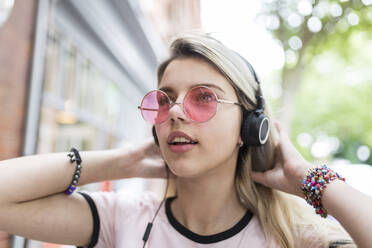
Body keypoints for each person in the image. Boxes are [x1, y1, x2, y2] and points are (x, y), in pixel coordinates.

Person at [0, 33, 371, 248]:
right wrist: (120, 161)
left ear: (250, 126)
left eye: (204, 97)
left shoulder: (294, 238)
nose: (175, 111)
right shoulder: (122, 220)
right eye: (164, 99)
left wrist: (310, 180)